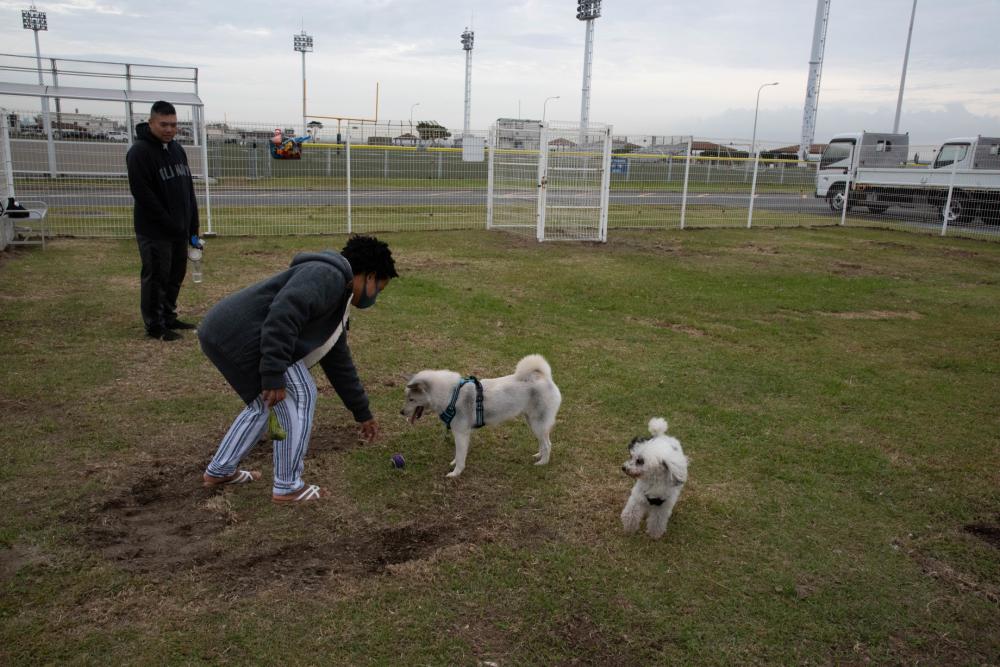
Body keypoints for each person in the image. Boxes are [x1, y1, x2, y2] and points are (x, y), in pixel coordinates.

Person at [198, 235, 398, 504]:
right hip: (240, 335)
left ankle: (220, 470)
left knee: (264, 404)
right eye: (379, 289)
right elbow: (283, 316)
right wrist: (273, 373)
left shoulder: (338, 296)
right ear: (370, 276)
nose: (375, 297)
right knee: (301, 394)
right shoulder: (328, 276)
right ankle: (287, 486)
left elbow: (338, 362)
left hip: (222, 333)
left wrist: (362, 412)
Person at [126, 100, 201, 341]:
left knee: (175, 275)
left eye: (173, 125)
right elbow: (143, 194)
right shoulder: (139, 152)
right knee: (157, 276)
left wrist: (192, 225)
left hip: (179, 230)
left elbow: (188, 189)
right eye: (164, 124)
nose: (169, 129)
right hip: (155, 231)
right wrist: (169, 223)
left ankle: (168, 316)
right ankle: (155, 325)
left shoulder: (177, 149)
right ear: (151, 123)